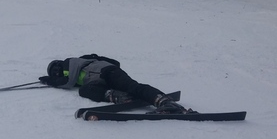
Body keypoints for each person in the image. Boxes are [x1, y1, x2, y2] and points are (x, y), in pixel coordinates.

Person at [38, 54, 189, 113]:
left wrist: (49, 80)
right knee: (85, 90)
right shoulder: (82, 63)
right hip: (106, 74)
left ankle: (164, 101)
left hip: (106, 73)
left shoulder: (69, 62)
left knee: (132, 86)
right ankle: (121, 96)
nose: (56, 75)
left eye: (55, 72)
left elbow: (67, 82)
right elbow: (115, 62)